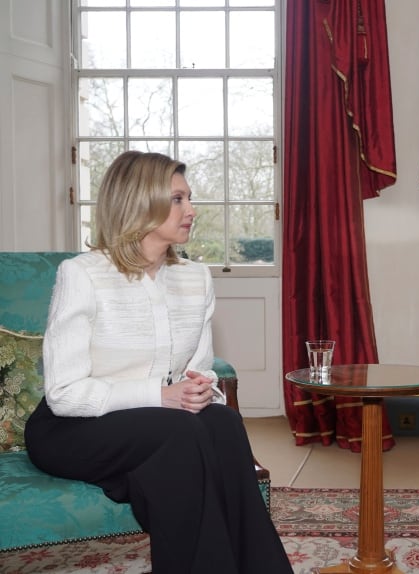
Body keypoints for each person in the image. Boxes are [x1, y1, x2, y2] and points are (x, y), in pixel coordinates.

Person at [24, 151, 293, 574]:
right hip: (72, 426)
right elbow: (64, 394)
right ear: (138, 202)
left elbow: (201, 370)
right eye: (178, 199)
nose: (192, 210)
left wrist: (202, 389)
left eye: (189, 198)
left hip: (160, 424)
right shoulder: (83, 275)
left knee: (222, 424)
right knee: (179, 433)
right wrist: (161, 395)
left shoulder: (195, 278)